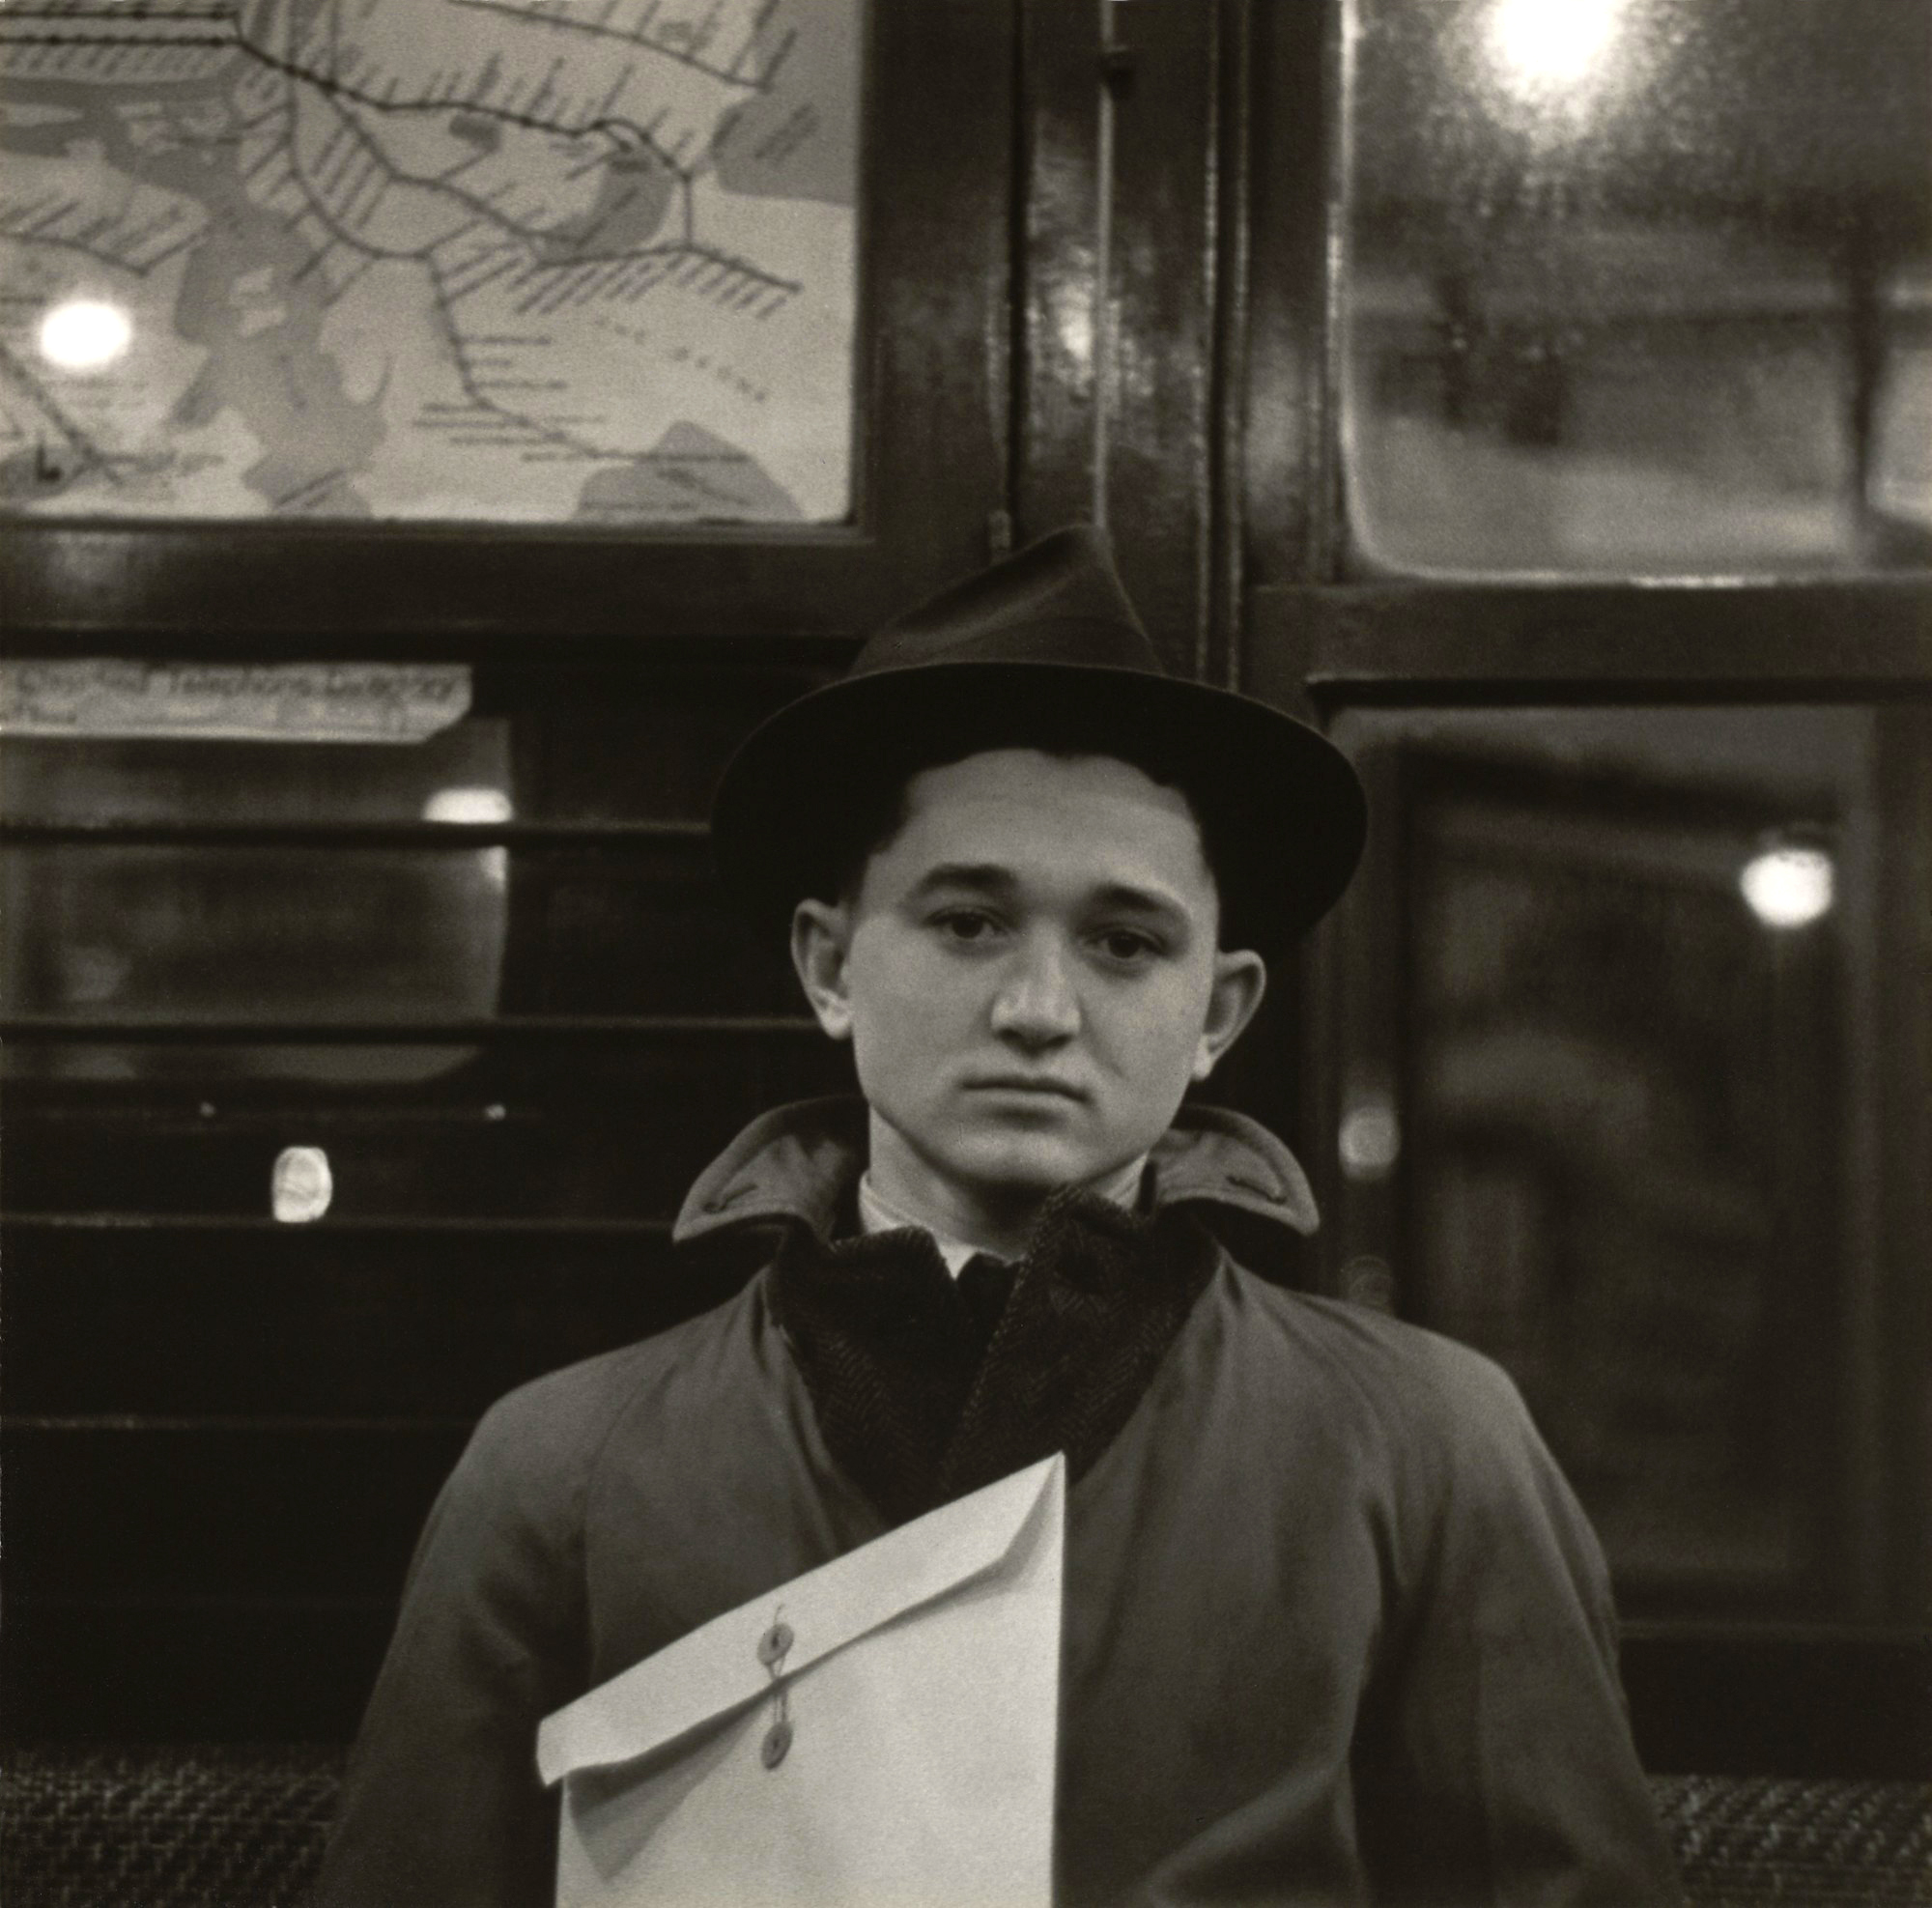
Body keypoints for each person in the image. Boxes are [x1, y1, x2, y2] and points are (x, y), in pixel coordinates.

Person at [316, 527, 1680, 1906]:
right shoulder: (566, 1468)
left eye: (1125, 943)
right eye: (969, 924)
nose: (1039, 1011)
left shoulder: (1423, 1444)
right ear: (832, 966)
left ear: (1217, 1015)